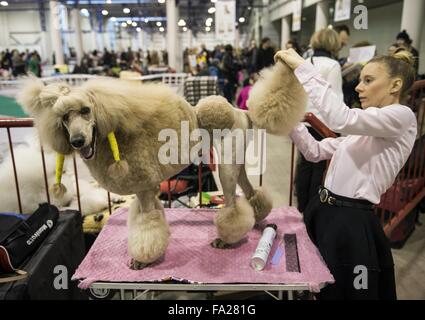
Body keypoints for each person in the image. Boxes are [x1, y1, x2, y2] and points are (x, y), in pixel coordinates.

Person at [275, 48, 417, 300]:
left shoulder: (402, 117)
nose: (359, 87)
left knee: (342, 291)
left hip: (350, 221)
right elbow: (314, 151)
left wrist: (301, 66)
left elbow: (340, 119)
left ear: (395, 85)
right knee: (313, 281)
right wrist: (289, 119)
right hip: (323, 209)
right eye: (361, 80)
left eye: (369, 80)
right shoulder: (367, 129)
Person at [294, 28, 344, 213]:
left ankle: (301, 207)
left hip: (305, 119)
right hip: (324, 123)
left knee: (305, 164)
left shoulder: (304, 62)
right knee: (319, 167)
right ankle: (313, 210)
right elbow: (335, 99)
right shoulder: (333, 65)